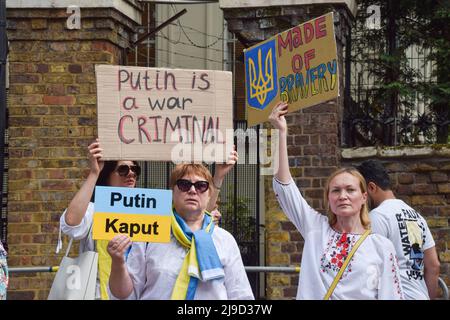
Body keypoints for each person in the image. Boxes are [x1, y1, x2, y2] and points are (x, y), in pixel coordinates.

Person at [59, 138, 237, 299]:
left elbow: (197, 213)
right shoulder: (94, 209)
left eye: (135, 169)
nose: (131, 173)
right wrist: (94, 173)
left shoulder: (147, 208)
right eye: (123, 169)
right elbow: (70, 225)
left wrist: (218, 177)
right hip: (97, 294)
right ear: (108, 174)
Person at [269, 102, 404, 300]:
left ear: (364, 197)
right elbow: (284, 187)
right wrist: (281, 133)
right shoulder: (316, 229)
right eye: (336, 190)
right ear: (328, 198)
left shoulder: (381, 246)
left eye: (350, 190)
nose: (343, 196)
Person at [107, 163, 254, 300]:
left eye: (201, 186)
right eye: (184, 185)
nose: (192, 190)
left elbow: (240, 295)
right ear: (172, 192)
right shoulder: (149, 234)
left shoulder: (224, 239)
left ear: (209, 194)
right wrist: (118, 262)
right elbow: (126, 294)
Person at [357, 159, 441, 299]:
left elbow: (369, 269)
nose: (361, 199)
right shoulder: (417, 217)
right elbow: (433, 266)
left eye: (361, 192)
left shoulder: (377, 217)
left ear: (371, 187)